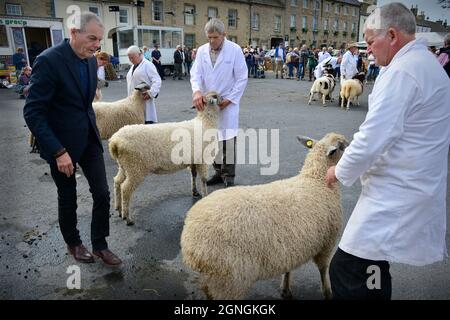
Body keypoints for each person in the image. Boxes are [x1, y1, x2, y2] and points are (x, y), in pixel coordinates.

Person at [325, 2, 450, 300]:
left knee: (348, 267)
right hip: (411, 184)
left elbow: (373, 135)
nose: (367, 50)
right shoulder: (428, 66)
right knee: (372, 262)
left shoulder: (401, 73)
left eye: (370, 42)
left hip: (398, 190)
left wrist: (338, 171)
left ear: (392, 35)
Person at [23, 12, 122, 266]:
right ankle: (74, 243)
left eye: (99, 40)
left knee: (102, 193)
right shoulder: (48, 61)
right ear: (74, 33)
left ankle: (100, 244)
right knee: (68, 197)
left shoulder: (91, 61)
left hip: (89, 137)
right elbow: (33, 112)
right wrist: (57, 151)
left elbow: (85, 104)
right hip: (61, 144)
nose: (97, 45)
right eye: (92, 38)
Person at [190, 18, 248, 188]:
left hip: (227, 101)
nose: (211, 41)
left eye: (215, 37)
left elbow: (242, 77)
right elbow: (196, 74)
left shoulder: (235, 50)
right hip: (208, 104)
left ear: (224, 35)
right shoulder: (201, 51)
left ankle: (229, 176)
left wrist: (229, 100)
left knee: (228, 139)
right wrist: (197, 92)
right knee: (211, 138)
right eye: (209, 37)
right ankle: (217, 171)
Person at [126, 45, 161, 124]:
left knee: (146, 123)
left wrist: (151, 93)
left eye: (132, 57)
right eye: (129, 58)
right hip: (133, 101)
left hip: (144, 100)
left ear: (139, 54)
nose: (131, 60)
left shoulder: (148, 65)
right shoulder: (133, 66)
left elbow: (157, 80)